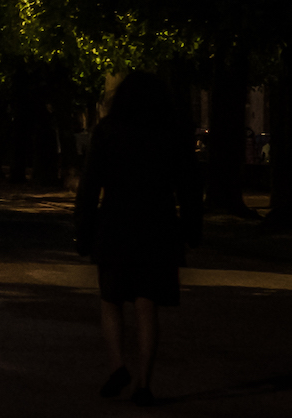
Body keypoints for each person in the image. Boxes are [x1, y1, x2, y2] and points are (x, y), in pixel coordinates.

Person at [74, 70, 202, 406]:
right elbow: (188, 187)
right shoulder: (171, 135)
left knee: (110, 300)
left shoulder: (107, 133)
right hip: (157, 225)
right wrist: (192, 229)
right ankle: (144, 382)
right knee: (147, 305)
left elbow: (89, 188)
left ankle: (118, 364)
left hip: (115, 222)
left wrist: (83, 232)